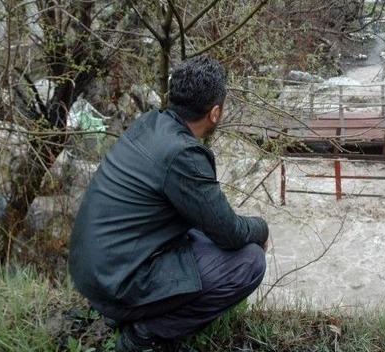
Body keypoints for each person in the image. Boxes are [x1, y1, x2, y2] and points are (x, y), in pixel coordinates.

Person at [69, 55, 269, 352]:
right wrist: (262, 229)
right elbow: (230, 232)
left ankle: (134, 316)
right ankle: (144, 336)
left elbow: (209, 222)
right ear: (215, 113)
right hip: (116, 283)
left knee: (201, 235)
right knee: (249, 261)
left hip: (93, 271)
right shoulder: (183, 155)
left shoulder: (150, 123)